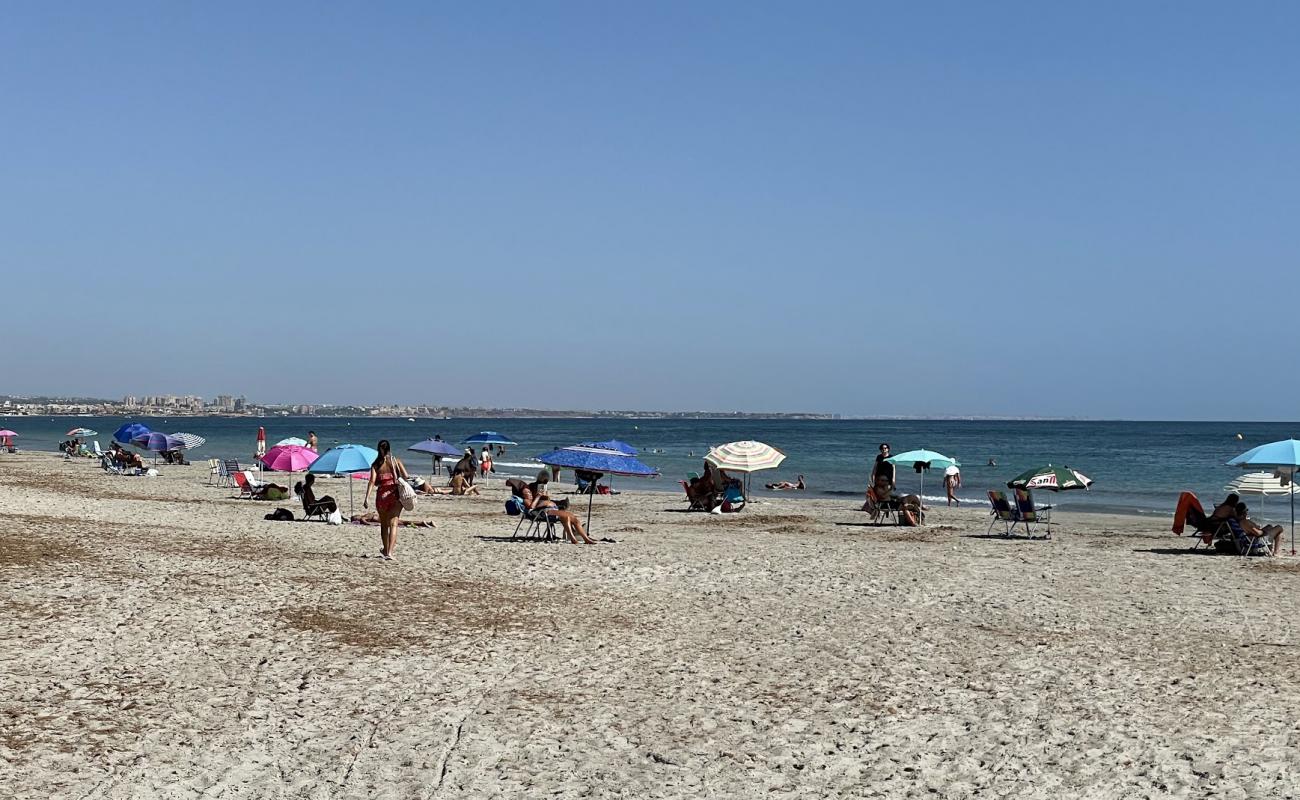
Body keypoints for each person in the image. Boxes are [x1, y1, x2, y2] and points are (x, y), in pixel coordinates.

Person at [363, 439, 409, 561]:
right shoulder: (395, 461)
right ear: (389, 449)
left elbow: (372, 481)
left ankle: (385, 549)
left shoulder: (375, 464)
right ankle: (389, 552)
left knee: (384, 525)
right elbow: (406, 476)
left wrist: (366, 498)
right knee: (394, 524)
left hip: (381, 497)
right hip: (394, 496)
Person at [521, 470, 594, 544]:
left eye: (546, 481)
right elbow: (532, 507)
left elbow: (546, 500)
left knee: (573, 519)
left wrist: (546, 496)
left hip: (551, 509)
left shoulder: (542, 488)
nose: (545, 482)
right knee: (568, 516)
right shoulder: (528, 495)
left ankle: (583, 538)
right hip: (544, 511)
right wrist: (538, 496)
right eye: (544, 480)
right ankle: (575, 538)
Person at [1173, 492, 1239, 536]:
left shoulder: (1221, 506)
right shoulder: (1230, 509)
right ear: (1234, 501)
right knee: (1235, 524)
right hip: (1213, 527)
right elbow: (1237, 518)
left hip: (1207, 523)